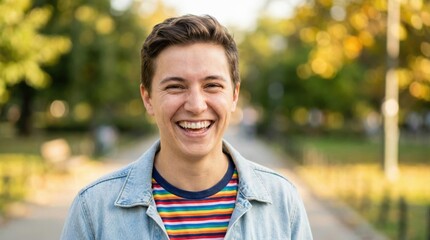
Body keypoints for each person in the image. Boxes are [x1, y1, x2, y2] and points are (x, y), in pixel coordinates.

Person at [61, 14, 313, 240]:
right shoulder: (93, 210)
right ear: (148, 98)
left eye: (212, 85)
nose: (195, 105)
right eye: (176, 86)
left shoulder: (283, 202)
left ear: (234, 95)